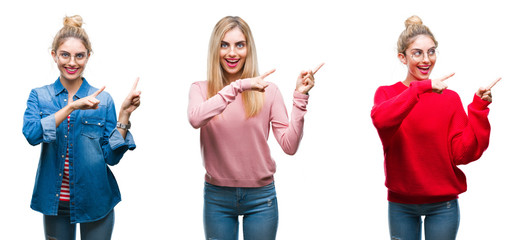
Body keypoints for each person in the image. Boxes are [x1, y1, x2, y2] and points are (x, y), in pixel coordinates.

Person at [188, 16, 323, 240]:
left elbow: (289, 146)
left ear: (248, 48)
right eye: (224, 45)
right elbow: (195, 119)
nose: (232, 53)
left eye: (239, 45)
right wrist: (240, 86)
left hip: (261, 198)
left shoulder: (268, 91)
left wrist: (300, 97)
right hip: (217, 197)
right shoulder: (200, 89)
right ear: (215, 49)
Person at [370, 15, 499, 240]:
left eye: (431, 51)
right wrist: (421, 88)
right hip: (401, 204)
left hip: (443, 205)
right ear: (402, 57)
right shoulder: (387, 94)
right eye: (417, 53)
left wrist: (479, 109)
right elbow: (381, 120)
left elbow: (463, 154)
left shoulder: (449, 99)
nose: (426, 59)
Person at [22, 15, 141, 240]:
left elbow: (111, 157)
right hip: (55, 203)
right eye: (65, 55)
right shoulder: (39, 96)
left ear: (88, 57)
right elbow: (31, 134)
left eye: (79, 56)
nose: (72, 62)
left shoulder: (103, 100)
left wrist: (124, 115)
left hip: (96, 201)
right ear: (54, 55)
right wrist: (71, 107)